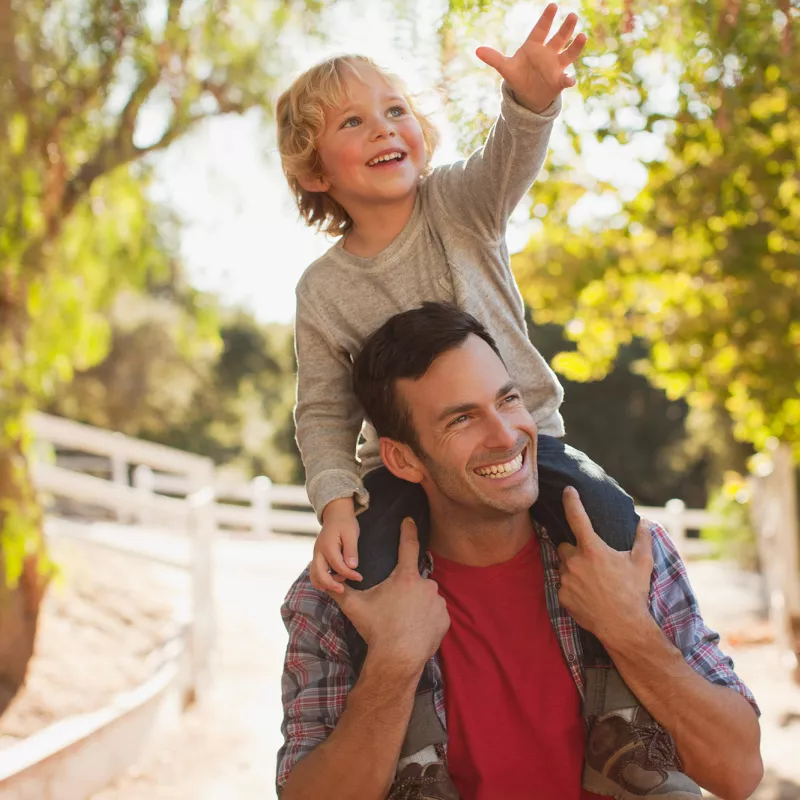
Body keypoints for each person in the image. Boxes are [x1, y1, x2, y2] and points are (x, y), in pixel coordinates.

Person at [275, 5, 693, 796]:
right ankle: (418, 758)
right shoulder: (323, 290)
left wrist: (531, 101)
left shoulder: (459, 206)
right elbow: (323, 411)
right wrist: (335, 502)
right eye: (353, 122)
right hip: (406, 471)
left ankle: (620, 728)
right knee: (368, 573)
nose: (382, 128)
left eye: (394, 110)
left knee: (608, 524)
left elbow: (511, 157)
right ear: (315, 172)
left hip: (532, 438)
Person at [276, 304, 763, 800]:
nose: (506, 436)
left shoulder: (628, 553)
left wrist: (628, 629)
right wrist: (394, 663)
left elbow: (739, 772)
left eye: (507, 400)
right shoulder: (339, 595)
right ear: (403, 458)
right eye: (462, 419)